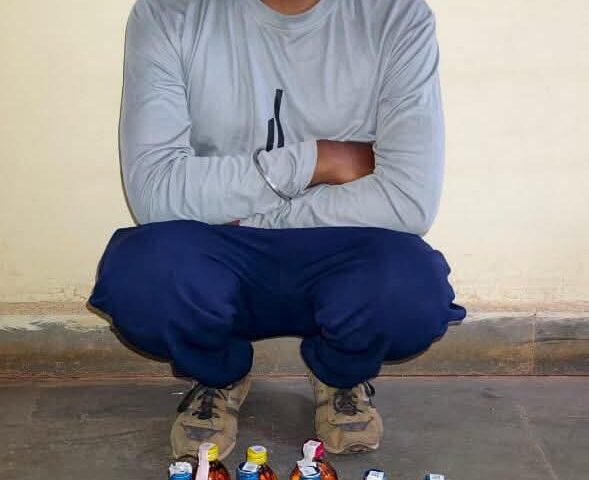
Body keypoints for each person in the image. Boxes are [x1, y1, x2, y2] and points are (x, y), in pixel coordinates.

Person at [88, 0, 467, 460]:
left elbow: (409, 201)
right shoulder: (170, 14)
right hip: (218, 248)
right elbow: (155, 190)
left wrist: (244, 210)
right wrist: (317, 160)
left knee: (411, 291)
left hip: (336, 244)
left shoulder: (397, 16)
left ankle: (339, 374)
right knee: (141, 278)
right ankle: (218, 373)